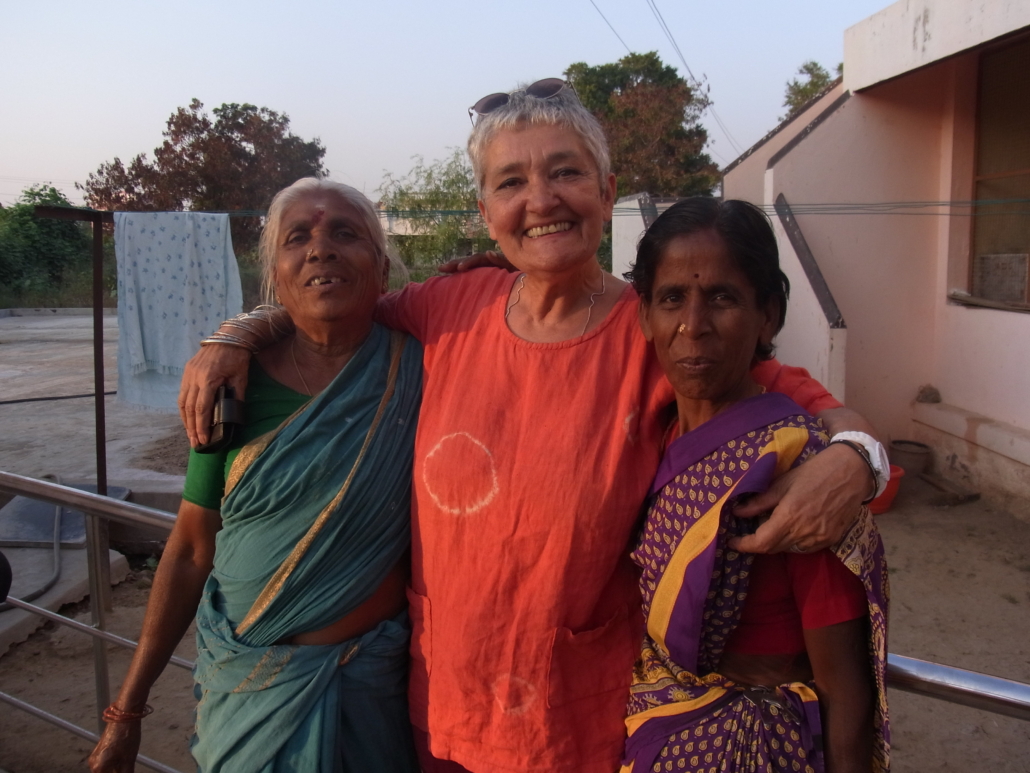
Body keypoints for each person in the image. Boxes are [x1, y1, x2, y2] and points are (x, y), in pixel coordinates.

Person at [176, 80, 886, 773]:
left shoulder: (656, 329)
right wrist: (238, 333)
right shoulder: (446, 306)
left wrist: (855, 456)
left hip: (576, 713)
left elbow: (799, 402)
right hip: (443, 700)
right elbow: (329, 305)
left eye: (566, 172)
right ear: (486, 211)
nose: (540, 200)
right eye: (511, 182)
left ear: (606, 192)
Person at [88, 178, 422, 773]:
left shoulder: (420, 366)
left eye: (346, 233)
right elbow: (191, 549)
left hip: (373, 685)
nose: (321, 248)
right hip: (246, 685)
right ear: (276, 273)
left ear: (382, 268)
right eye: (299, 237)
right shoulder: (230, 389)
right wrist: (127, 710)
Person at [621, 198, 889, 773]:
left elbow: (845, 689)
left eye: (722, 297)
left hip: (757, 748)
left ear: (768, 315)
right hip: (655, 729)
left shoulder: (796, 465)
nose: (693, 324)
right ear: (645, 316)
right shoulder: (654, 432)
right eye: (672, 298)